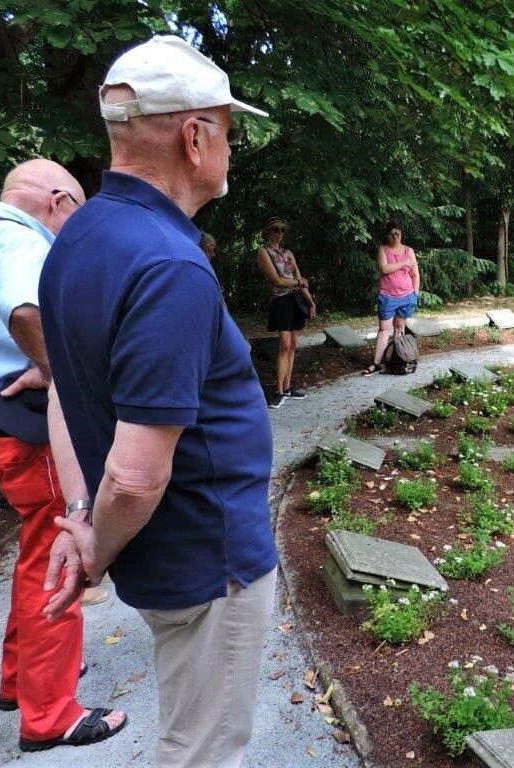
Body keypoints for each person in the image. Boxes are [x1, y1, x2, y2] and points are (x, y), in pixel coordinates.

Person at [37, 36, 279, 768]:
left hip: (169, 562)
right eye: (228, 131)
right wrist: (96, 554)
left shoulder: (78, 238)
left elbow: (63, 391)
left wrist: (81, 521)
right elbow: (137, 475)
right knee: (203, 751)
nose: (231, 149)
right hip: (208, 563)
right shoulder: (171, 265)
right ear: (195, 136)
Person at [0, 158, 126, 751]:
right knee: (62, 558)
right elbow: (24, 308)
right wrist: (61, 375)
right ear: (59, 201)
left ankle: (19, 682)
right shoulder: (18, 239)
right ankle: (51, 713)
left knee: (34, 556)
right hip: (36, 431)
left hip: (3, 428)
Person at [256, 215, 314, 407]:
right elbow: (277, 280)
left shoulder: (288, 253)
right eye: (275, 229)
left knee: (293, 344)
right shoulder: (264, 252)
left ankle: (288, 387)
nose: (279, 233)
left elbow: (299, 276)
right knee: (285, 344)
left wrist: (310, 302)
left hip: (295, 300)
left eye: (282, 230)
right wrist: (298, 283)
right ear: (268, 231)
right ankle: (278, 391)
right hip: (280, 300)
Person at [363, 221, 420, 375]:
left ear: (401, 234)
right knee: (383, 329)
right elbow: (384, 268)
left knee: (400, 328)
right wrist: (404, 263)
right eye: (392, 234)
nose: (395, 237)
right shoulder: (383, 249)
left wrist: (415, 294)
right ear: (388, 235)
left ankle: (398, 360)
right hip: (388, 296)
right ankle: (376, 363)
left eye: (398, 233)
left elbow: (415, 274)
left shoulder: (409, 251)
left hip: (407, 295)